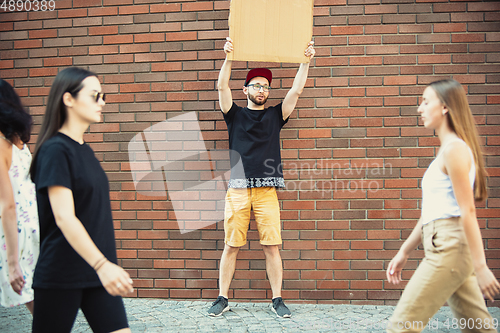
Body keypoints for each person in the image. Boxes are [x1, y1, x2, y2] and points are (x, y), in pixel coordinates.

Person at [208, 38, 315, 318]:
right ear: (245, 89)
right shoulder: (234, 115)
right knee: (231, 245)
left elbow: (297, 90)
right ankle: (222, 297)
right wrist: (229, 57)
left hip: (267, 190)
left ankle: (277, 299)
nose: (262, 89)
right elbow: (221, 87)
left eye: (266, 86)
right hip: (238, 190)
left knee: (272, 246)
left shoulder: (276, 116)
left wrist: (306, 61)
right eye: (257, 85)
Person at [386, 79, 500, 332]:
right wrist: (404, 251)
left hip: (448, 250)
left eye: (426, 101)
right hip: (447, 247)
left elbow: (467, 211)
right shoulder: (447, 150)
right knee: (479, 328)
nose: (420, 108)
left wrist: (481, 266)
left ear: (445, 107)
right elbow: (431, 214)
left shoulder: (454, 150)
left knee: (401, 326)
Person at [29, 67, 133, 332]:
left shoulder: (84, 150)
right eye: (95, 96)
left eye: (103, 96)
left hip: (97, 272)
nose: (102, 102)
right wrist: (103, 265)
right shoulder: (55, 150)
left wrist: (103, 265)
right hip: (62, 272)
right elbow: (64, 217)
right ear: (68, 99)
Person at [0, 79, 39, 315]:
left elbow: (7, 205)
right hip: (34, 223)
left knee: (26, 289)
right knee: (34, 295)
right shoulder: (20, 144)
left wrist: (13, 261)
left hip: (15, 230)